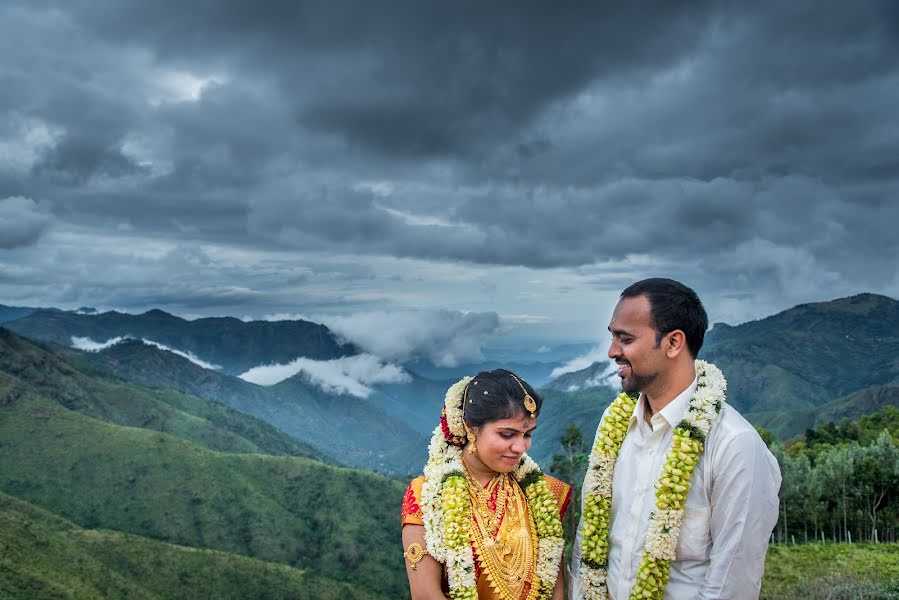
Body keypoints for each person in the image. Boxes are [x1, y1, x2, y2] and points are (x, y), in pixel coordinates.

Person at [569, 278, 781, 600]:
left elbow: (731, 585)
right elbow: (589, 539)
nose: (612, 352)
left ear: (672, 343)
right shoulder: (615, 426)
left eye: (624, 339)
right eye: (612, 337)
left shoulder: (734, 445)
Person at [402, 369, 573, 600]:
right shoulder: (427, 496)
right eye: (506, 434)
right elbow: (426, 595)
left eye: (527, 434)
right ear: (471, 428)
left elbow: (555, 591)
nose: (521, 447)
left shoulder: (543, 493)